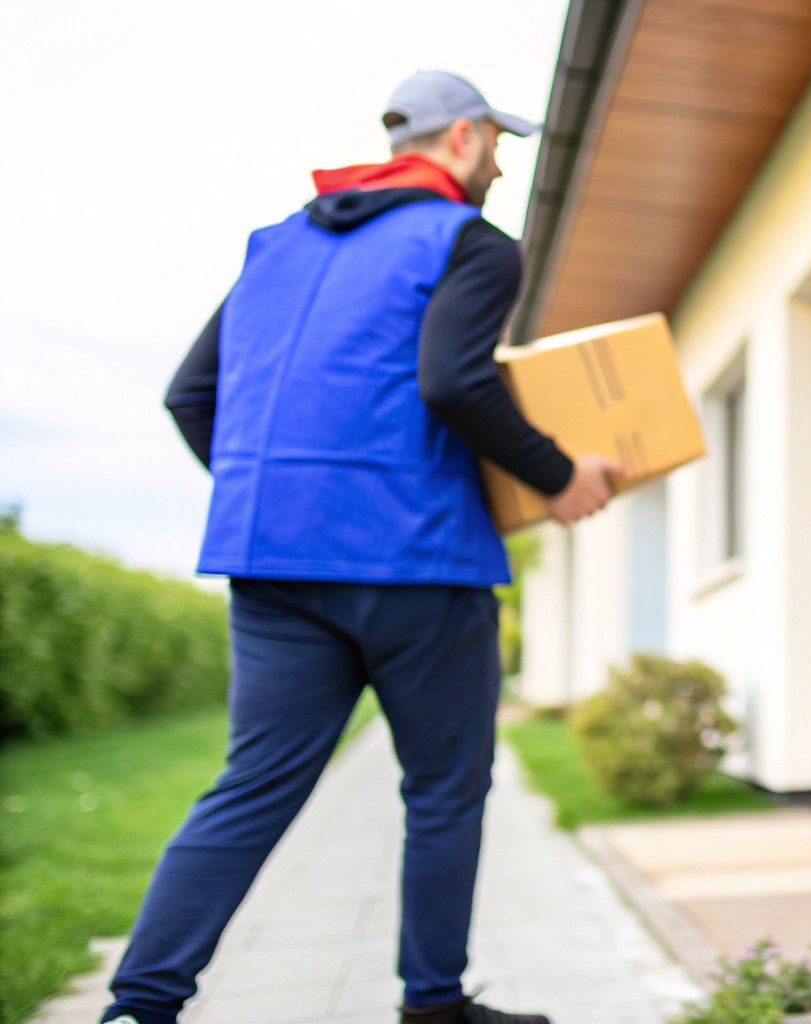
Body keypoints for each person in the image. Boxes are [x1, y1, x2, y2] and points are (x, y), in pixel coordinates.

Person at [101, 71, 622, 1024]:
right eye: (498, 145)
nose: (503, 163)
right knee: (443, 792)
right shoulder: (471, 243)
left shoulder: (274, 249)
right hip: (417, 564)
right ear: (462, 139)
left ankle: (140, 1005)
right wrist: (560, 476)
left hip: (270, 565)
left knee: (251, 788)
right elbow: (456, 385)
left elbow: (191, 395)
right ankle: (432, 1006)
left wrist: (282, 501)